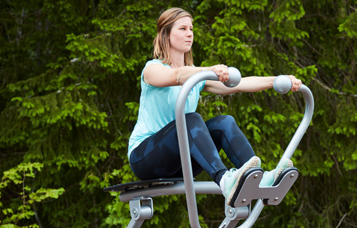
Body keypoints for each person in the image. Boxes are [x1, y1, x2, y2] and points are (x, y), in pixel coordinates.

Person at [128, 7, 302, 206]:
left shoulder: (196, 77)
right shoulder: (152, 69)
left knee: (224, 123)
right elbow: (176, 76)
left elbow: (239, 85)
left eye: (191, 29)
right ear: (166, 34)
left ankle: (258, 180)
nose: (189, 33)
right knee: (190, 119)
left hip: (180, 162)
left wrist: (278, 80)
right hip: (145, 158)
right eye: (183, 28)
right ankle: (225, 180)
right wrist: (208, 70)